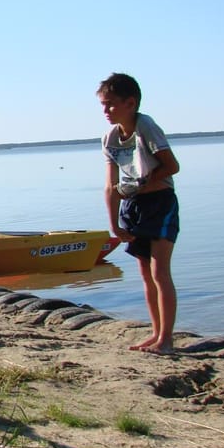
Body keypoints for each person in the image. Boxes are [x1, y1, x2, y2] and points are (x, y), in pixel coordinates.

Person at [97, 73, 180, 354]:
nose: (106, 110)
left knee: (159, 271)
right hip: (132, 207)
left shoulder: (146, 126)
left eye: (110, 104)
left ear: (130, 103)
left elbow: (172, 166)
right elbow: (110, 186)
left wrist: (141, 184)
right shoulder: (109, 138)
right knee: (145, 274)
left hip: (159, 202)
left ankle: (166, 339)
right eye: (103, 105)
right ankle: (155, 333)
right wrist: (114, 225)